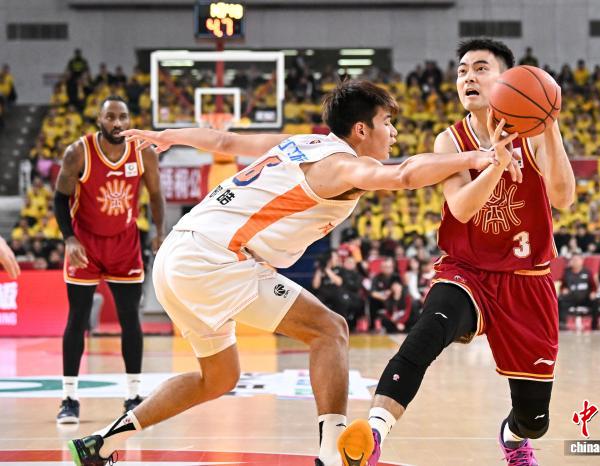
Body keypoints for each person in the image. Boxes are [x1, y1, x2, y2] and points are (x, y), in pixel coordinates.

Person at [67, 79, 517, 466]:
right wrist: (477, 158)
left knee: (218, 377)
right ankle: (332, 455)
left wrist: (170, 136)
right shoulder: (342, 164)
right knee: (330, 330)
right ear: (361, 130)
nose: (394, 132)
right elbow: (405, 175)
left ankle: (102, 443)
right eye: (387, 122)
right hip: (213, 258)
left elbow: (226, 143)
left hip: (179, 255)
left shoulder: (302, 141)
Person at [339, 38, 575, 466]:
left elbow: (564, 198)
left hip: (528, 280)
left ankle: (514, 438)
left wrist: (551, 121)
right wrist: (496, 163)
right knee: (426, 334)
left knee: (534, 419)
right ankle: (372, 434)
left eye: (481, 68)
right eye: (463, 70)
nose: (468, 76)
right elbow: (462, 207)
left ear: (509, 80)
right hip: (468, 272)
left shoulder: (536, 133)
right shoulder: (450, 140)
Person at [54, 95, 165, 424]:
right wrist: (69, 238)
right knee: (77, 319)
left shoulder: (143, 152)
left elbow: (155, 195)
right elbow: (60, 199)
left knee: (130, 319)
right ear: (100, 120)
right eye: (111, 117)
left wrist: (159, 232)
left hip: (124, 244)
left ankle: (133, 396)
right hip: (85, 243)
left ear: (130, 120)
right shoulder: (78, 152)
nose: (117, 123)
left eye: (123, 117)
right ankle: (69, 399)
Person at [557, 253, 597, 330]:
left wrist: (593, 292)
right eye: (573, 260)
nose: (575, 262)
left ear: (582, 261)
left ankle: (594, 325)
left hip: (585, 298)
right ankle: (562, 323)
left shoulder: (588, 272)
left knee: (596, 301)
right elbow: (562, 285)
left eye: (577, 260)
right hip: (571, 297)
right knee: (560, 300)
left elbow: (593, 286)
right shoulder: (567, 272)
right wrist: (563, 290)